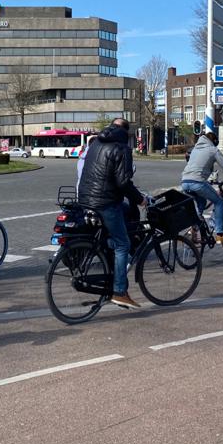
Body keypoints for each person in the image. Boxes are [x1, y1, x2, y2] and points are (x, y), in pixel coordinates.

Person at [77, 118, 146, 309]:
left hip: (85, 199)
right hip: (105, 202)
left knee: (124, 215)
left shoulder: (96, 143)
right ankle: (119, 291)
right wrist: (140, 199)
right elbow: (123, 183)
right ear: (126, 132)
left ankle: (109, 262)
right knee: (123, 244)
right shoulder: (122, 148)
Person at [181, 131, 223, 243]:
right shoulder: (213, 150)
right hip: (197, 182)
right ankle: (219, 234)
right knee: (218, 202)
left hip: (185, 182)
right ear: (214, 141)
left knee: (201, 203)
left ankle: (196, 226)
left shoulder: (195, 149)